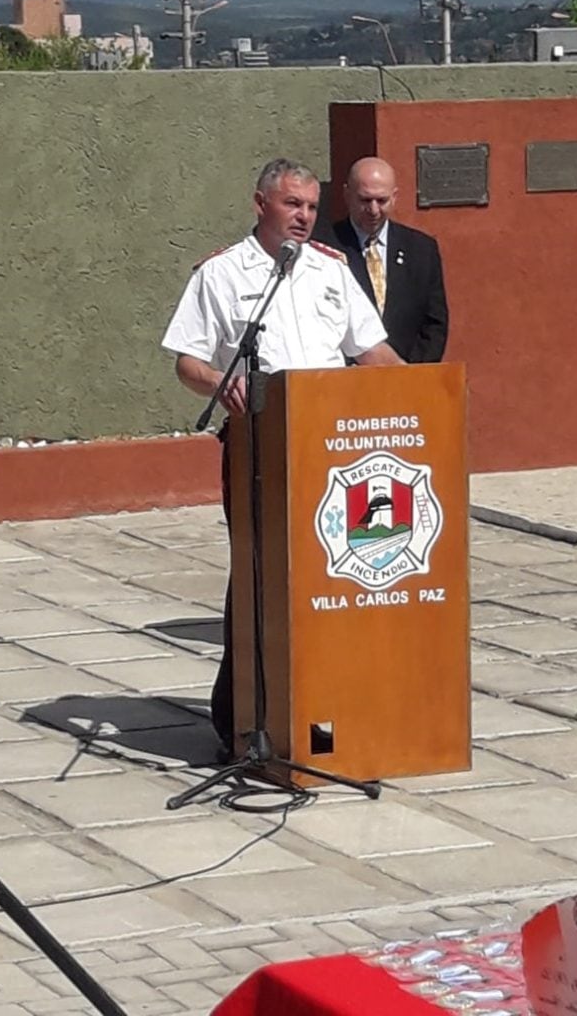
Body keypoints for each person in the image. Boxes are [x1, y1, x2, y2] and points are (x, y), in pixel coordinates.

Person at [161, 157, 404, 755]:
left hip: (333, 450)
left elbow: (371, 350)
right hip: (260, 445)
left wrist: (424, 398)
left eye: (313, 207)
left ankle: (325, 714)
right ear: (261, 204)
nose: (304, 217)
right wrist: (222, 381)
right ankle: (239, 719)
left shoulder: (330, 271)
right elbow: (186, 360)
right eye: (293, 204)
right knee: (258, 579)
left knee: (331, 582)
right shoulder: (221, 275)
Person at [331, 156, 449, 364]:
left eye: (382, 200)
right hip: (346, 381)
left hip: (406, 380)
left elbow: (434, 324)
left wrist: (412, 374)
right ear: (347, 195)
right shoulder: (324, 248)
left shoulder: (421, 249)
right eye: (365, 200)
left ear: (394, 197)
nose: (374, 210)